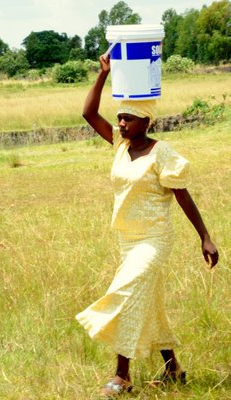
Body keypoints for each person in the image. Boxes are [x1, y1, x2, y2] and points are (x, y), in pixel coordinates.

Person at [76, 55, 219, 398]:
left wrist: (205, 237)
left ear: (146, 121)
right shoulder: (120, 146)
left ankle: (122, 376)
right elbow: (87, 114)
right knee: (148, 301)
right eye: (120, 117)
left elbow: (183, 197)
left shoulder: (162, 153)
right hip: (128, 239)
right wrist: (102, 74)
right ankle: (173, 368)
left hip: (155, 239)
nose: (121, 123)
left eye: (129, 118)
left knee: (126, 294)